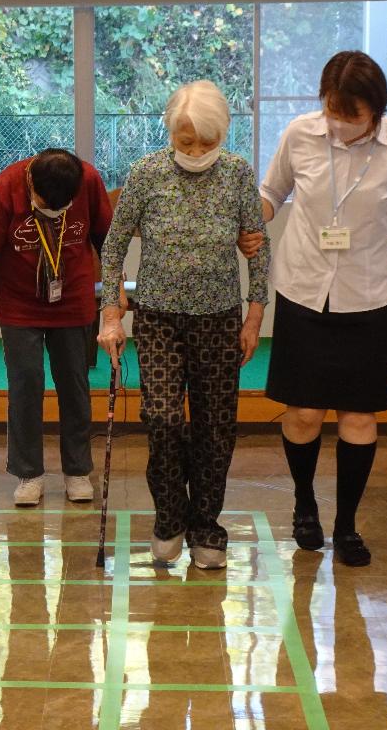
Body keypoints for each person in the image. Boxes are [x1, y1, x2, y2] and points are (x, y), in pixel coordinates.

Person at [259, 51, 387, 567]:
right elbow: (271, 193)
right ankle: (304, 503)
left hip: (369, 295)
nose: (341, 122)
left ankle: (347, 524)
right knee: (304, 412)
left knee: (358, 416)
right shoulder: (300, 134)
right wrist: (243, 220)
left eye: (352, 114)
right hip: (303, 288)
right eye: (333, 110)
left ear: (376, 107)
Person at [98, 80, 270, 570]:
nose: (195, 152)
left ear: (223, 135)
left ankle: (206, 526)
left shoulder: (237, 173)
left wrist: (254, 316)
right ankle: (170, 516)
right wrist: (111, 313)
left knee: (216, 427)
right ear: (170, 132)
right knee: (163, 418)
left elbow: (259, 249)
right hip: (158, 318)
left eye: (206, 142)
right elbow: (113, 246)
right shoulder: (147, 173)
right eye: (185, 141)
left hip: (219, 319)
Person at [0, 148, 118, 508]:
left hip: (73, 299)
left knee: (75, 386)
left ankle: (77, 471)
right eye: (45, 204)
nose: (53, 210)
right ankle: (29, 473)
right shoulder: (6, 187)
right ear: (31, 182)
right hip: (20, 304)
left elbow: (107, 244)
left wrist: (113, 298)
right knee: (25, 384)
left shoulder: (89, 180)